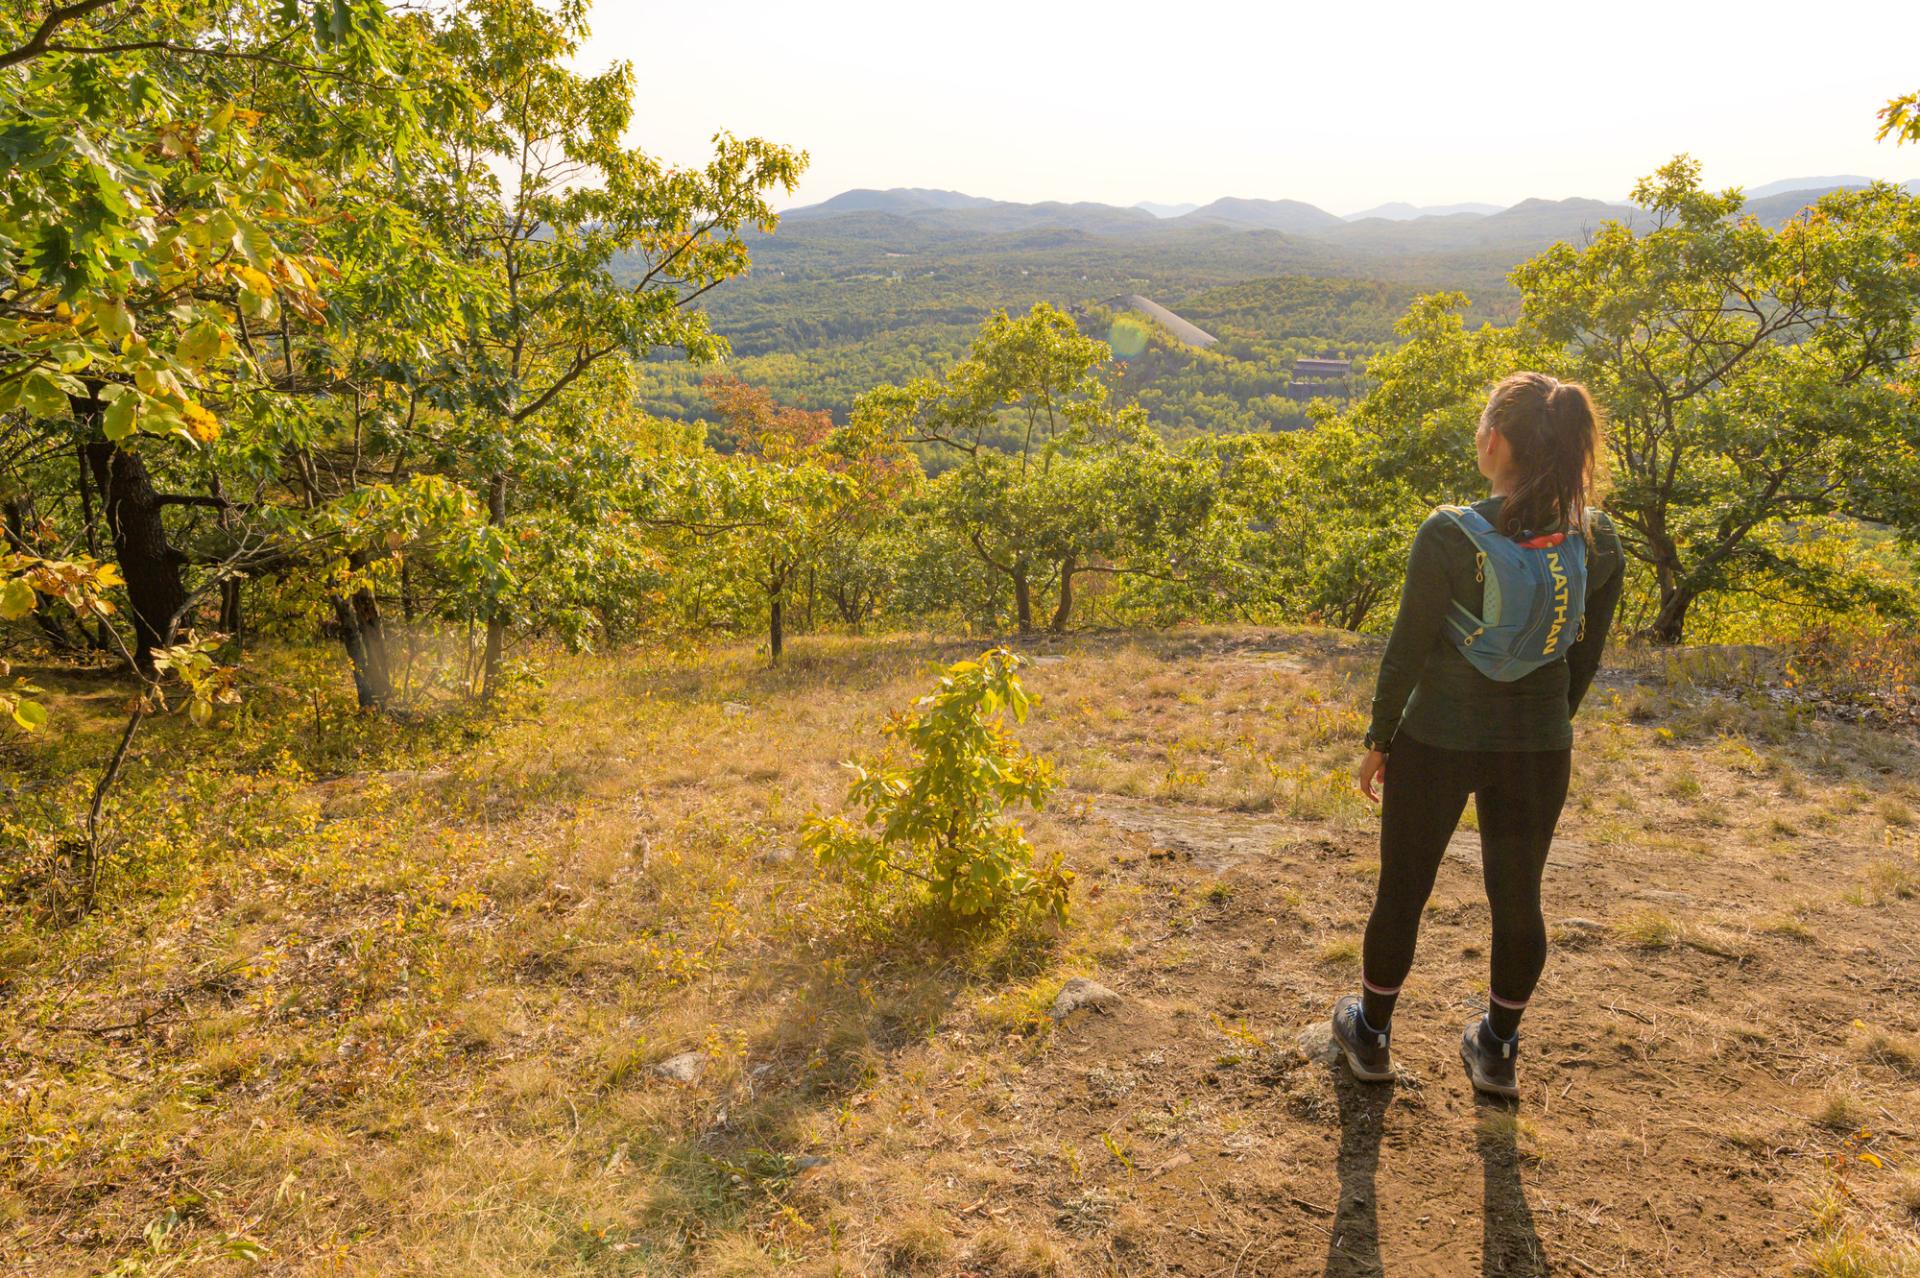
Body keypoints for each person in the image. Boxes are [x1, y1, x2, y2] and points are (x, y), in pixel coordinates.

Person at [1330, 371, 1623, 1099]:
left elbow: (1407, 648)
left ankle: (1370, 1035)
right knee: (1518, 897)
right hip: (1539, 747)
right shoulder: (1598, 535)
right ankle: (1496, 1049)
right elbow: (1583, 656)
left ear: (1495, 442)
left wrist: (1379, 739)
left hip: (1437, 738)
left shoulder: (1450, 533)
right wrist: (1549, 721)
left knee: (1403, 890)